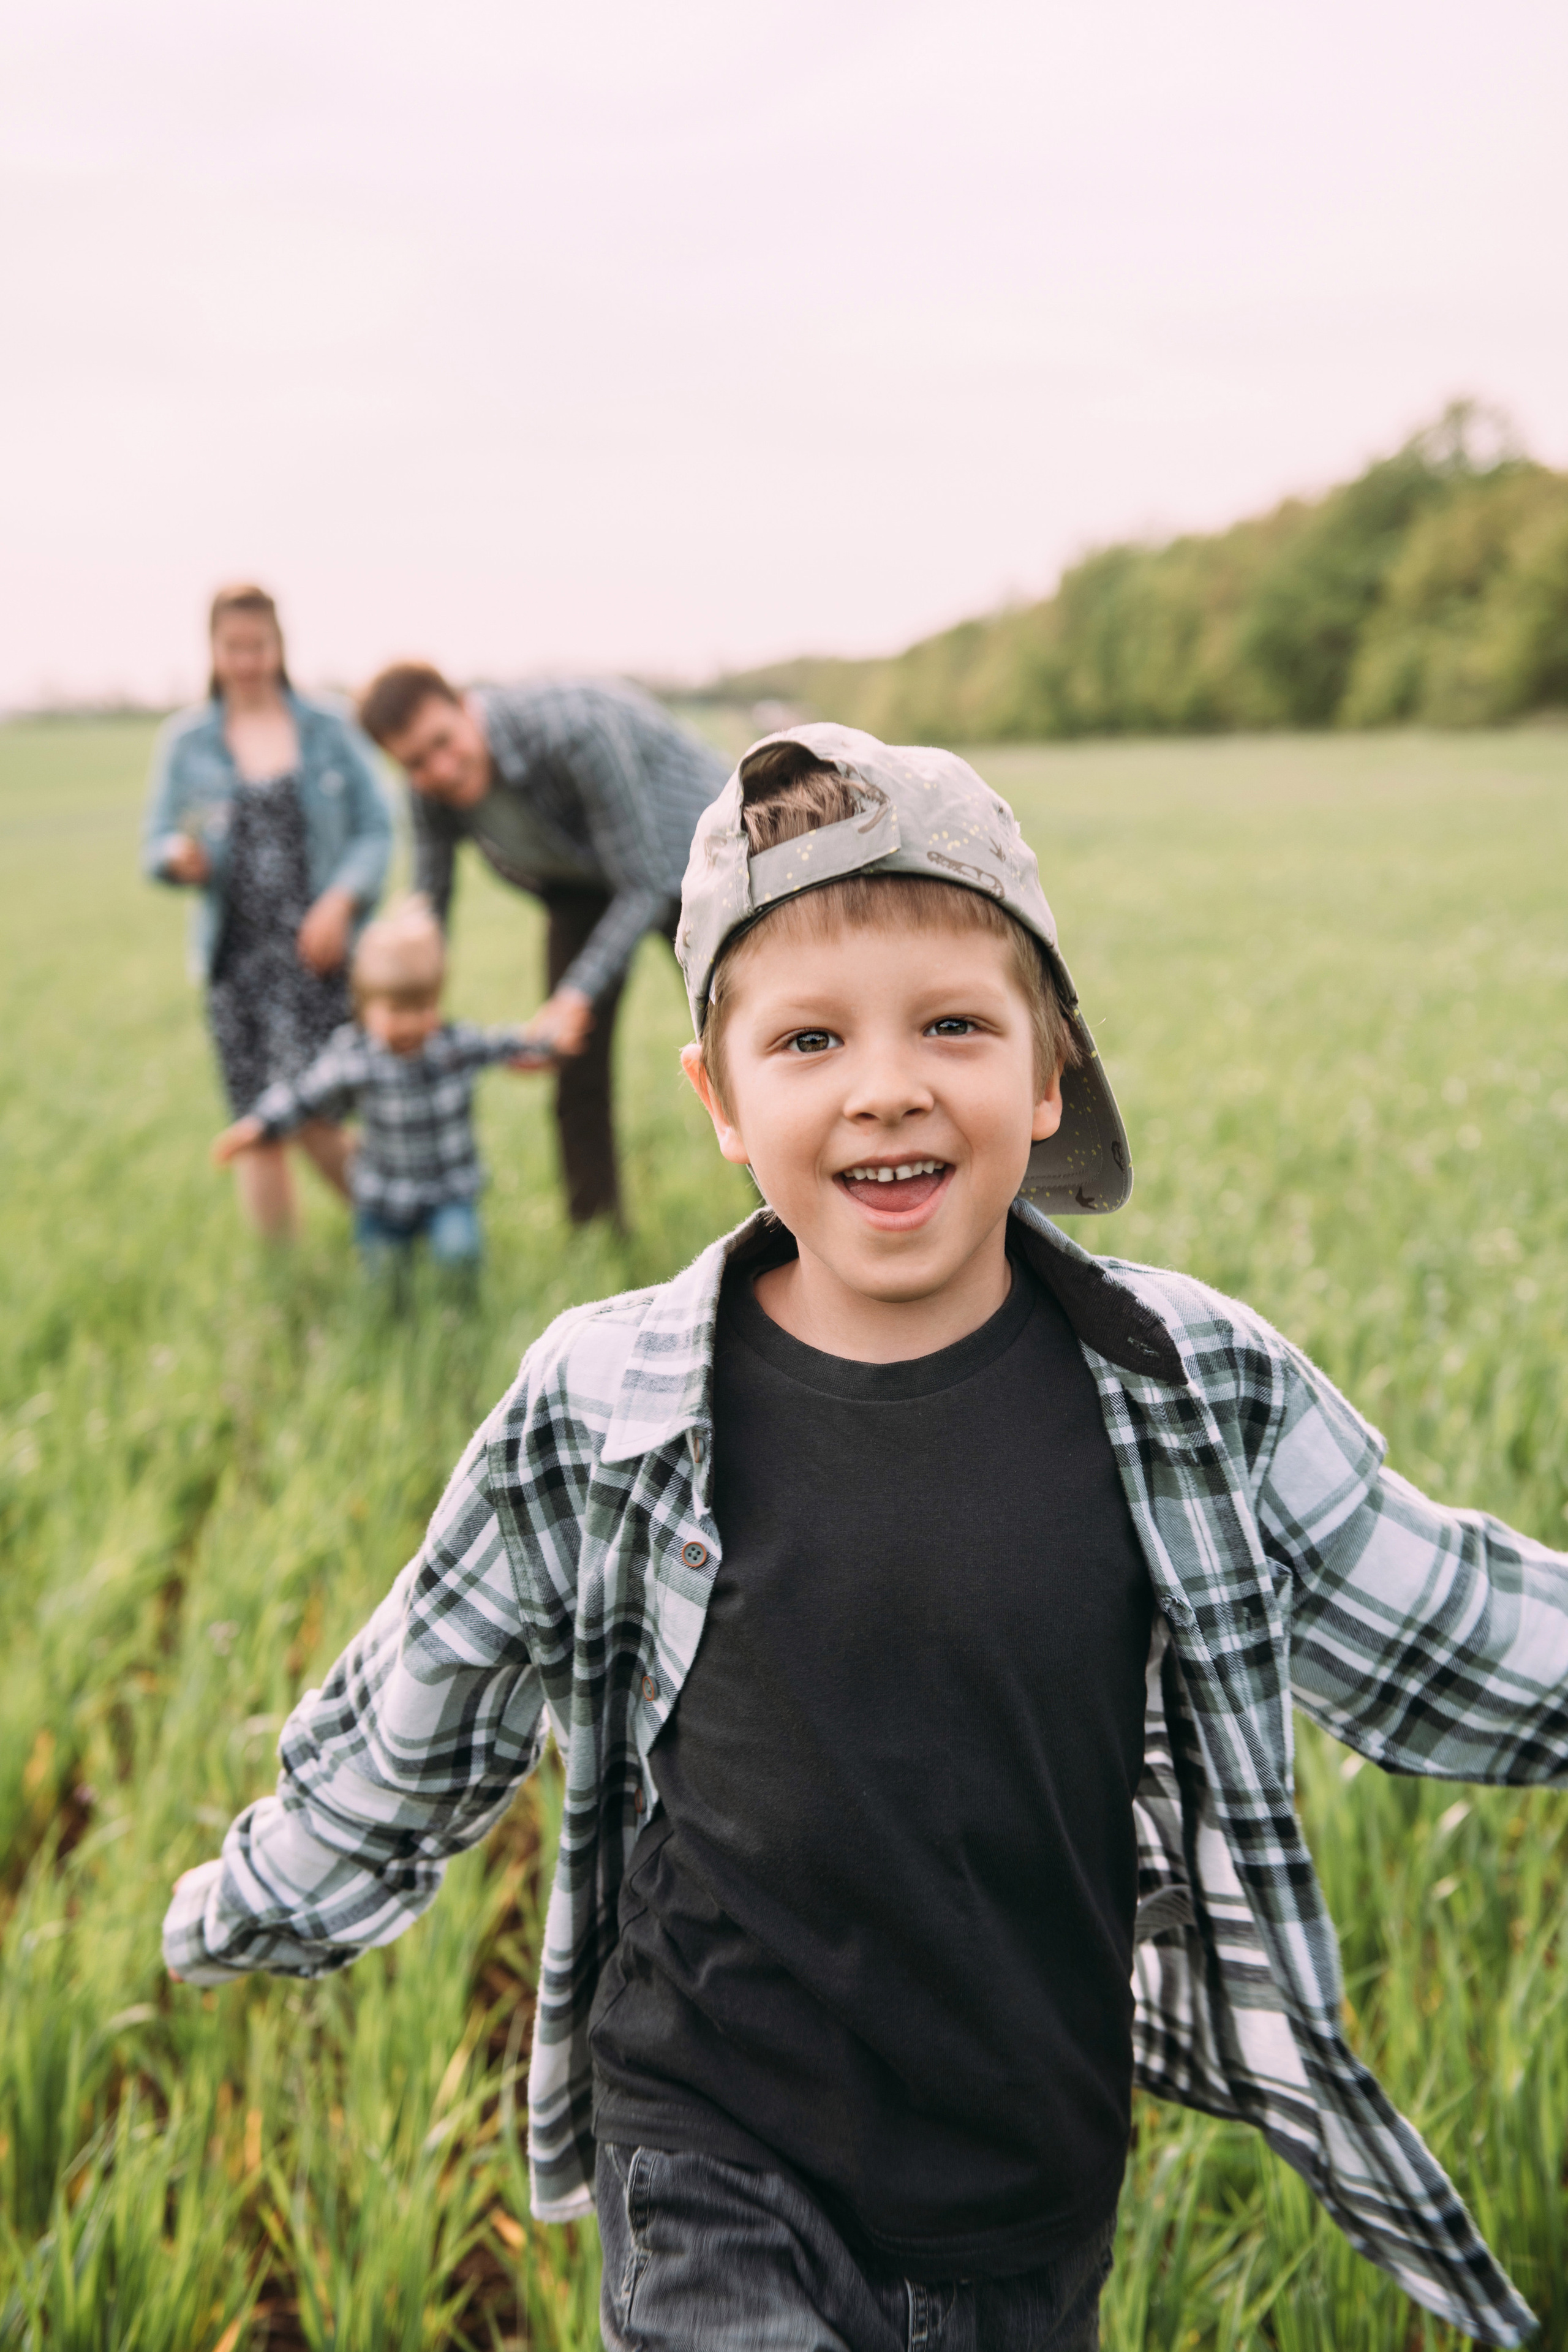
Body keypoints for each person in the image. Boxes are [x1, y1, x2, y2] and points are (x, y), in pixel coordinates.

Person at [162, 723, 1562, 2351]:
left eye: (953, 1026)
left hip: (1026, 2175)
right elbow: (428, 1698)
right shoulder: (605, 1401)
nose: (886, 1083)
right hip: (709, 2148)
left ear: (1049, 1073)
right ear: (721, 1096)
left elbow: (1446, 1626)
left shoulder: (1188, 1390)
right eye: (811, 1038)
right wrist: (252, 1893)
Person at [356, 663, 726, 1227]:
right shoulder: (429, 792)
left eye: (443, 743)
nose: (441, 769)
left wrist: (577, 991)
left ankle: (785, 1226)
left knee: (735, 1048)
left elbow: (644, 883)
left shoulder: (571, 732)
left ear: (464, 705)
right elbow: (429, 911)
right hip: (581, 883)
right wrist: (394, 995)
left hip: (695, 866)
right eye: (414, 763)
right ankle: (598, 1237)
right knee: (571, 1058)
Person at [143, 585, 393, 1240]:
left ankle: (401, 1221)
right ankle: (286, 1285)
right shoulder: (187, 742)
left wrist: (340, 902)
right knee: (255, 1124)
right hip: (236, 964)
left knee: (316, 1118)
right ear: (214, 650)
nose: (247, 660)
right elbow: (157, 843)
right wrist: (180, 859)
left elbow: (376, 826)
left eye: (259, 645)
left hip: (319, 958)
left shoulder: (328, 727)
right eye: (234, 647)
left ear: (280, 646)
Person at [211, 899, 549, 1272]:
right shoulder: (355, 1056)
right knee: (382, 1277)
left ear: (438, 1000)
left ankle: (458, 1309)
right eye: (394, 1011)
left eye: (422, 1008)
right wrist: (258, 1124)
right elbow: (302, 1094)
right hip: (383, 1199)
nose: (409, 1024)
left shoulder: (453, 1046)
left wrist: (543, 1043)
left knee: (460, 1256)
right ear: (365, 1007)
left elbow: (502, 1043)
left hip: (447, 1193)